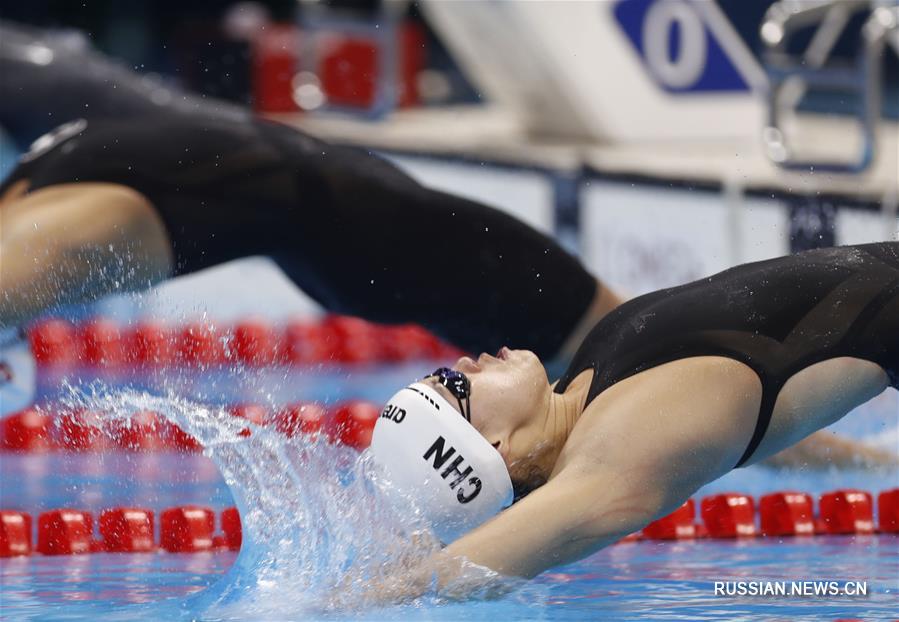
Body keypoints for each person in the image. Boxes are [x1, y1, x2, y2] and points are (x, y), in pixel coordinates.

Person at [367, 242, 898, 599]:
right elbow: (471, 565)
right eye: (456, 386)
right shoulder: (618, 451)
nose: (463, 362)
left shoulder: (585, 388)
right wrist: (344, 603)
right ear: (497, 448)